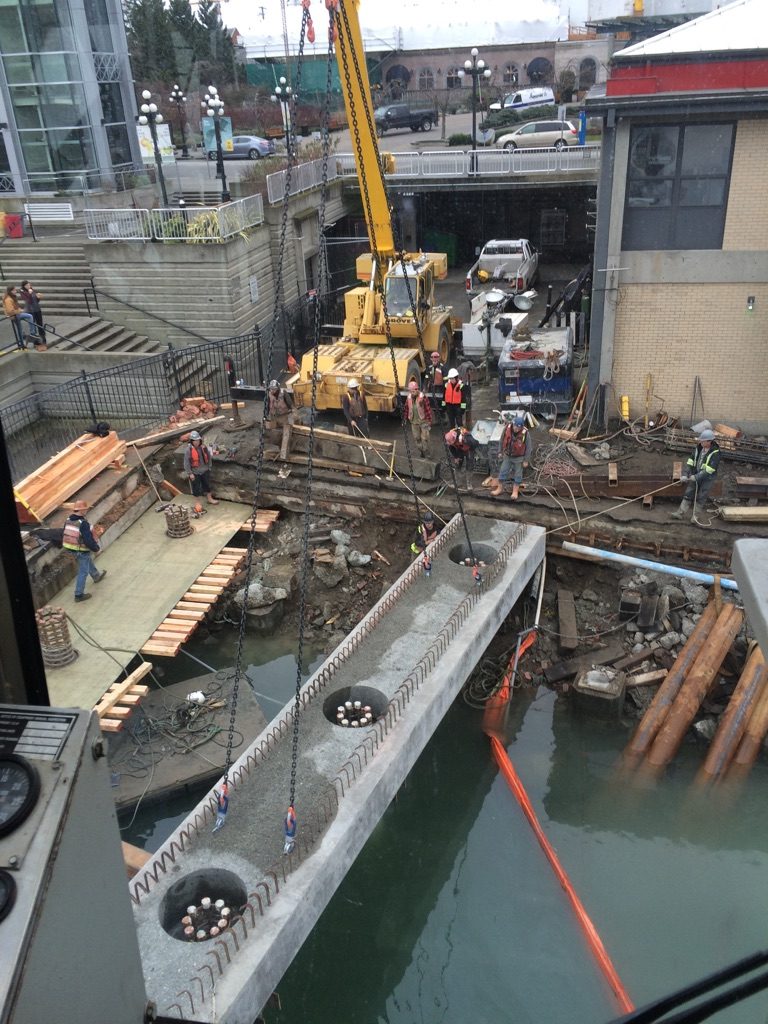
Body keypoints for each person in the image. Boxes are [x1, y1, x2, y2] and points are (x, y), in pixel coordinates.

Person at [62, 500, 106, 602]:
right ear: (82, 511)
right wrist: (96, 549)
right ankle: (78, 594)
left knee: (86, 560)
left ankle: (96, 576)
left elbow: (65, 533)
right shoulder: (83, 524)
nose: (87, 511)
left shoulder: (68, 520)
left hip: (71, 548)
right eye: (86, 509)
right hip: (81, 550)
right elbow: (88, 540)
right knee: (83, 571)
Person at [672, 428, 721, 520]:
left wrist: (697, 477)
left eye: (703, 441)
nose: (701, 442)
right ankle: (680, 513)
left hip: (707, 479)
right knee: (688, 493)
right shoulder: (698, 448)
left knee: (701, 497)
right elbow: (690, 462)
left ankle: (695, 517)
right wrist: (685, 474)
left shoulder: (715, 453)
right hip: (695, 475)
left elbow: (709, 470)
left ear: (709, 441)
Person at [488, 412, 532, 500]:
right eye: (516, 426)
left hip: (519, 457)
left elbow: (529, 447)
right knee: (503, 471)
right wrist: (500, 451)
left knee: (518, 474)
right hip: (508, 456)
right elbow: (502, 440)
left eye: (519, 427)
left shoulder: (525, 433)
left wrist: (526, 460)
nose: (516, 428)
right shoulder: (507, 428)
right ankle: (499, 488)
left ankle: (515, 491)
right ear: (513, 424)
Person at [184, 430, 219, 504]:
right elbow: (186, 463)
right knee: (196, 488)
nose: (196, 442)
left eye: (197, 440)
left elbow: (209, 457)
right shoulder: (188, 450)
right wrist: (190, 473)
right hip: (195, 472)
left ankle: (210, 498)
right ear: (191, 441)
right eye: (194, 441)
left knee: (207, 485)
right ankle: (197, 502)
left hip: (205, 470)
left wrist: (209, 467)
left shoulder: (203, 447)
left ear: (200, 440)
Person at [264, 379, 294, 460]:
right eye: (271, 389)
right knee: (276, 433)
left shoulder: (283, 393)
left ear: (278, 388)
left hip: (283, 416)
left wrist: (293, 412)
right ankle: (279, 448)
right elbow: (267, 406)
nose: (272, 390)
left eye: (274, 389)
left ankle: (286, 448)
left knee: (285, 432)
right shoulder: (269, 395)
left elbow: (290, 403)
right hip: (274, 417)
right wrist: (265, 416)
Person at [3, 285, 37, 349]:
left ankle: (23, 342)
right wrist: (19, 310)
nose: (16, 291)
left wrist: (19, 309)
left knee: (20, 329)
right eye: (14, 290)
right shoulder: (8, 299)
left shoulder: (11, 297)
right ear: (11, 291)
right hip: (14, 315)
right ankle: (31, 334)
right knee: (29, 317)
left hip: (15, 315)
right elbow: (10, 311)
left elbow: (14, 307)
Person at [404, 380, 433, 457]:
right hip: (414, 422)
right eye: (412, 391)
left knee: (425, 438)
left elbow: (428, 409)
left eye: (416, 390)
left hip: (423, 421)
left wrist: (429, 420)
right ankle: (421, 451)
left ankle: (427, 453)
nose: (414, 392)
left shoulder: (423, 397)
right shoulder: (409, 398)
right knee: (417, 438)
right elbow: (406, 409)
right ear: (410, 391)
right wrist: (404, 419)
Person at [20, 281, 46, 348]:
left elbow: (36, 301)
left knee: (40, 324)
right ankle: (35, 341)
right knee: (33, 325)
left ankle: (43, 338)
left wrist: (38, 297)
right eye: (27, 285)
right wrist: (29, 293)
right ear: (24, 286)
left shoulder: (32, 290)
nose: (29, 286)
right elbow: (28, 301)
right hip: (30, 310)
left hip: (37, 309)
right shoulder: (23, 292)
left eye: (29, 285)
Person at [425, 351, 446, 417]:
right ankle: (437, 417)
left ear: (439, 358)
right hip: (432, 389)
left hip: (440, 389)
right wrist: (424, 388)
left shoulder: (443, 368)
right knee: (433, 403)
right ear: (431, 359)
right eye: (432, 357)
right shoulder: (429, 368)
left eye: (436, 357)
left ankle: (443, 416)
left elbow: (446, 380)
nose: (434, 358)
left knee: (441, 403)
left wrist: (445, 390)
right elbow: (426, 379)